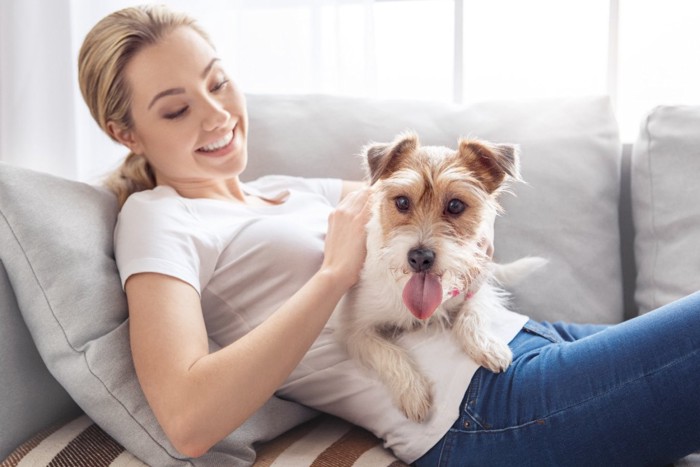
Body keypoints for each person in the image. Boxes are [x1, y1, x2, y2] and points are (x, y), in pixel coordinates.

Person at [78, 5, 700, 466]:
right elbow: (187, 419)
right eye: (175, 108)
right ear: (126, 132)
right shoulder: (158, 218)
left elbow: (437, 212)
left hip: (528, 337)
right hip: (484, 409)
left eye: (216, 82)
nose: (216, 115)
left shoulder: (288, 189)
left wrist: (464, 248)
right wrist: (332, 275)